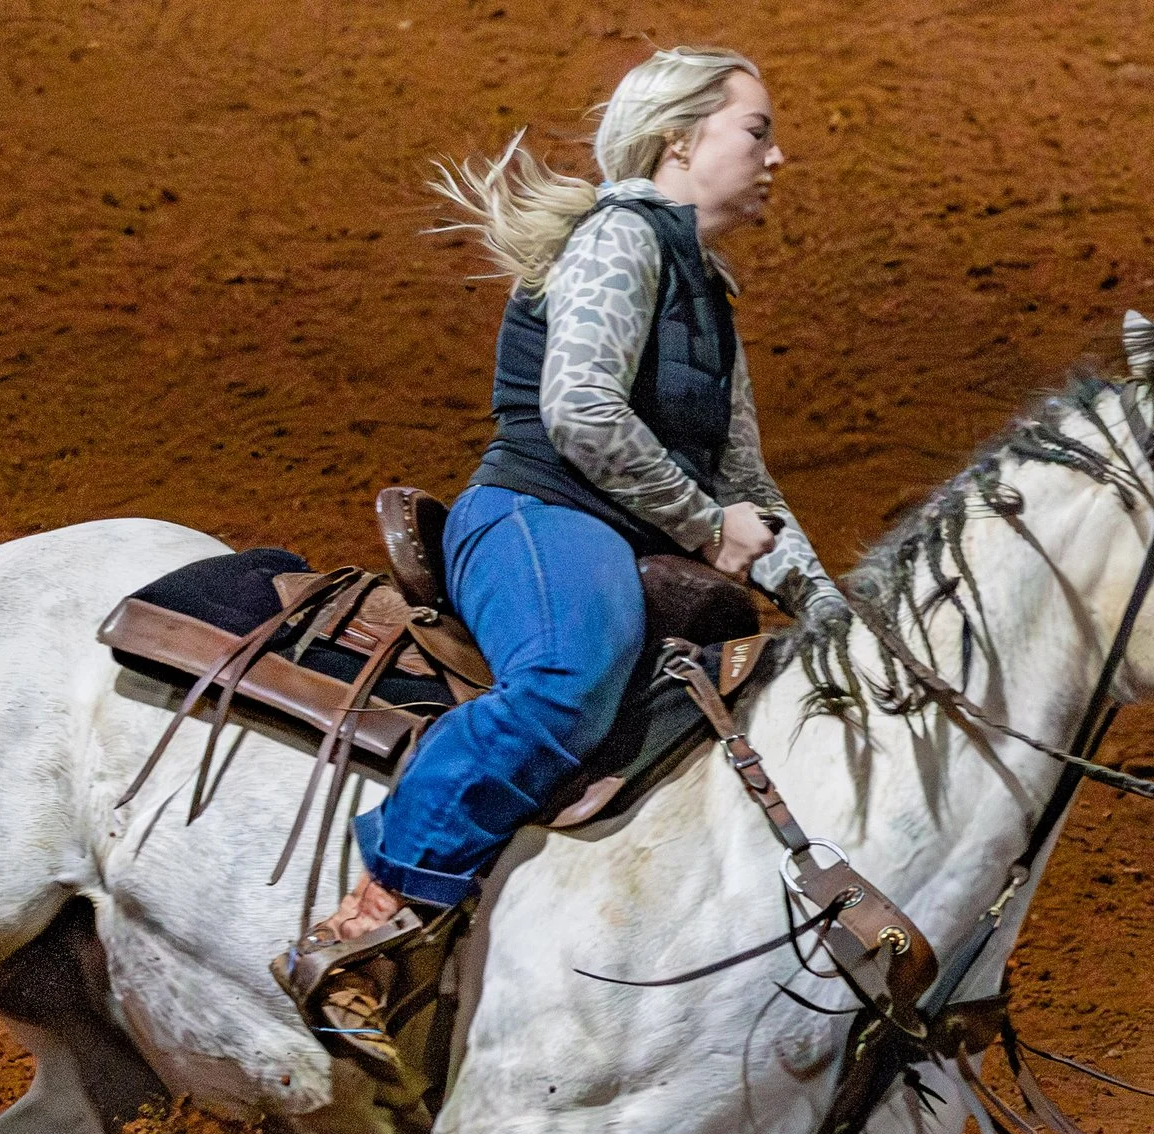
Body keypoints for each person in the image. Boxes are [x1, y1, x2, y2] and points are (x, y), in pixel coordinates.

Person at [288, 47, 846, 1054]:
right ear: (680, 140)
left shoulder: (707, 289)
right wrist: (706, 526)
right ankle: (365, 925)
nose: (777, 157)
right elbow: (580, 410)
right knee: (566, 676)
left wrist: (838, 616)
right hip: (536, 517)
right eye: (756, 131)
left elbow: (748, 487)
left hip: (621, 540)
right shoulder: (621, 237)